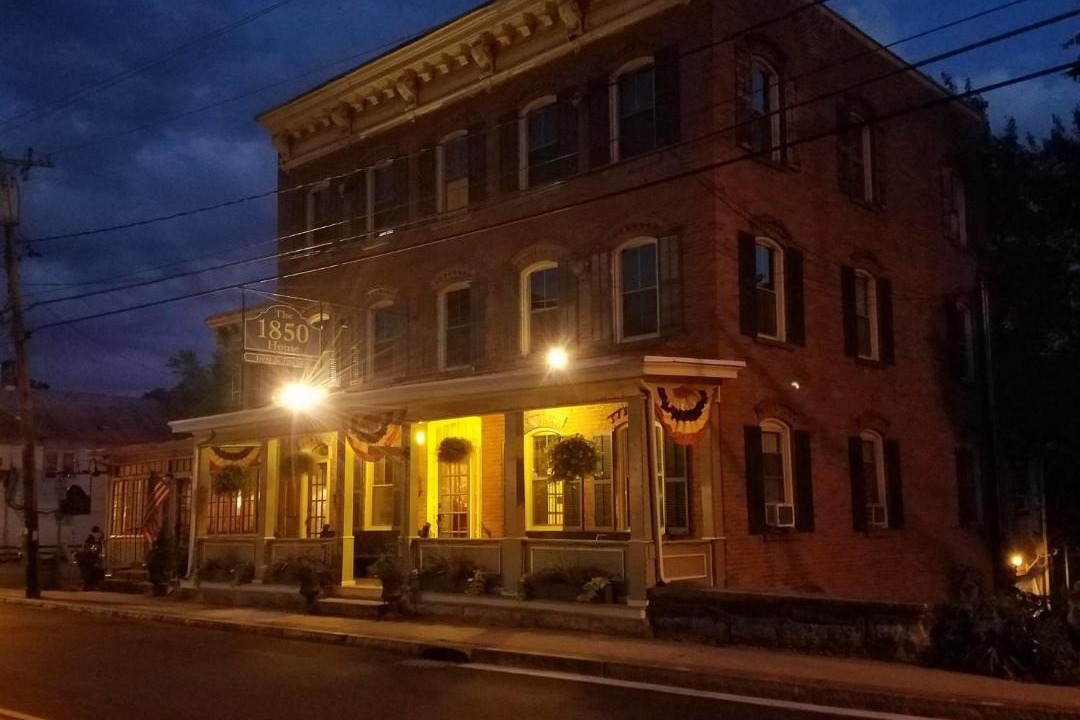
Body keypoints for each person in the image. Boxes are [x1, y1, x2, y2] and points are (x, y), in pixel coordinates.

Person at [76, 526, 104, 590]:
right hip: (88, 558)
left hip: (86, 558)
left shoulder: (91, 537)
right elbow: (92, 548)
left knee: (88, 572)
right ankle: (88, 586)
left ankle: (88, 586)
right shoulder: (92, 538)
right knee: (89, 572)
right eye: (99, 531)